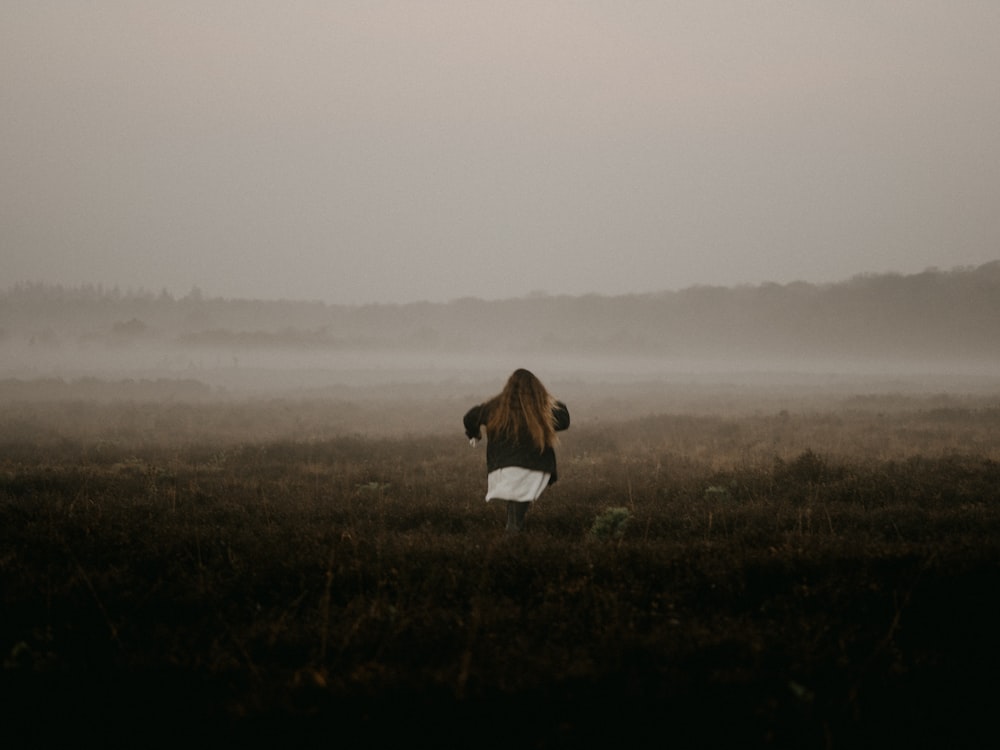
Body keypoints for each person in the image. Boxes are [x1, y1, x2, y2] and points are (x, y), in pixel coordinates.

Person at [463, 369, 570, 534]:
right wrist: (546, 400)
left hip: (503, 467)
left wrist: (474, 434)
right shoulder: (541, 409)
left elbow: (470, 417)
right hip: (533, 467)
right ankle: (511, 549)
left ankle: (510, 547)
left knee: (514, 509)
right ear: (536, 388)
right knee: (515, 517)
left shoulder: (495, 407)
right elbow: (564, 419)